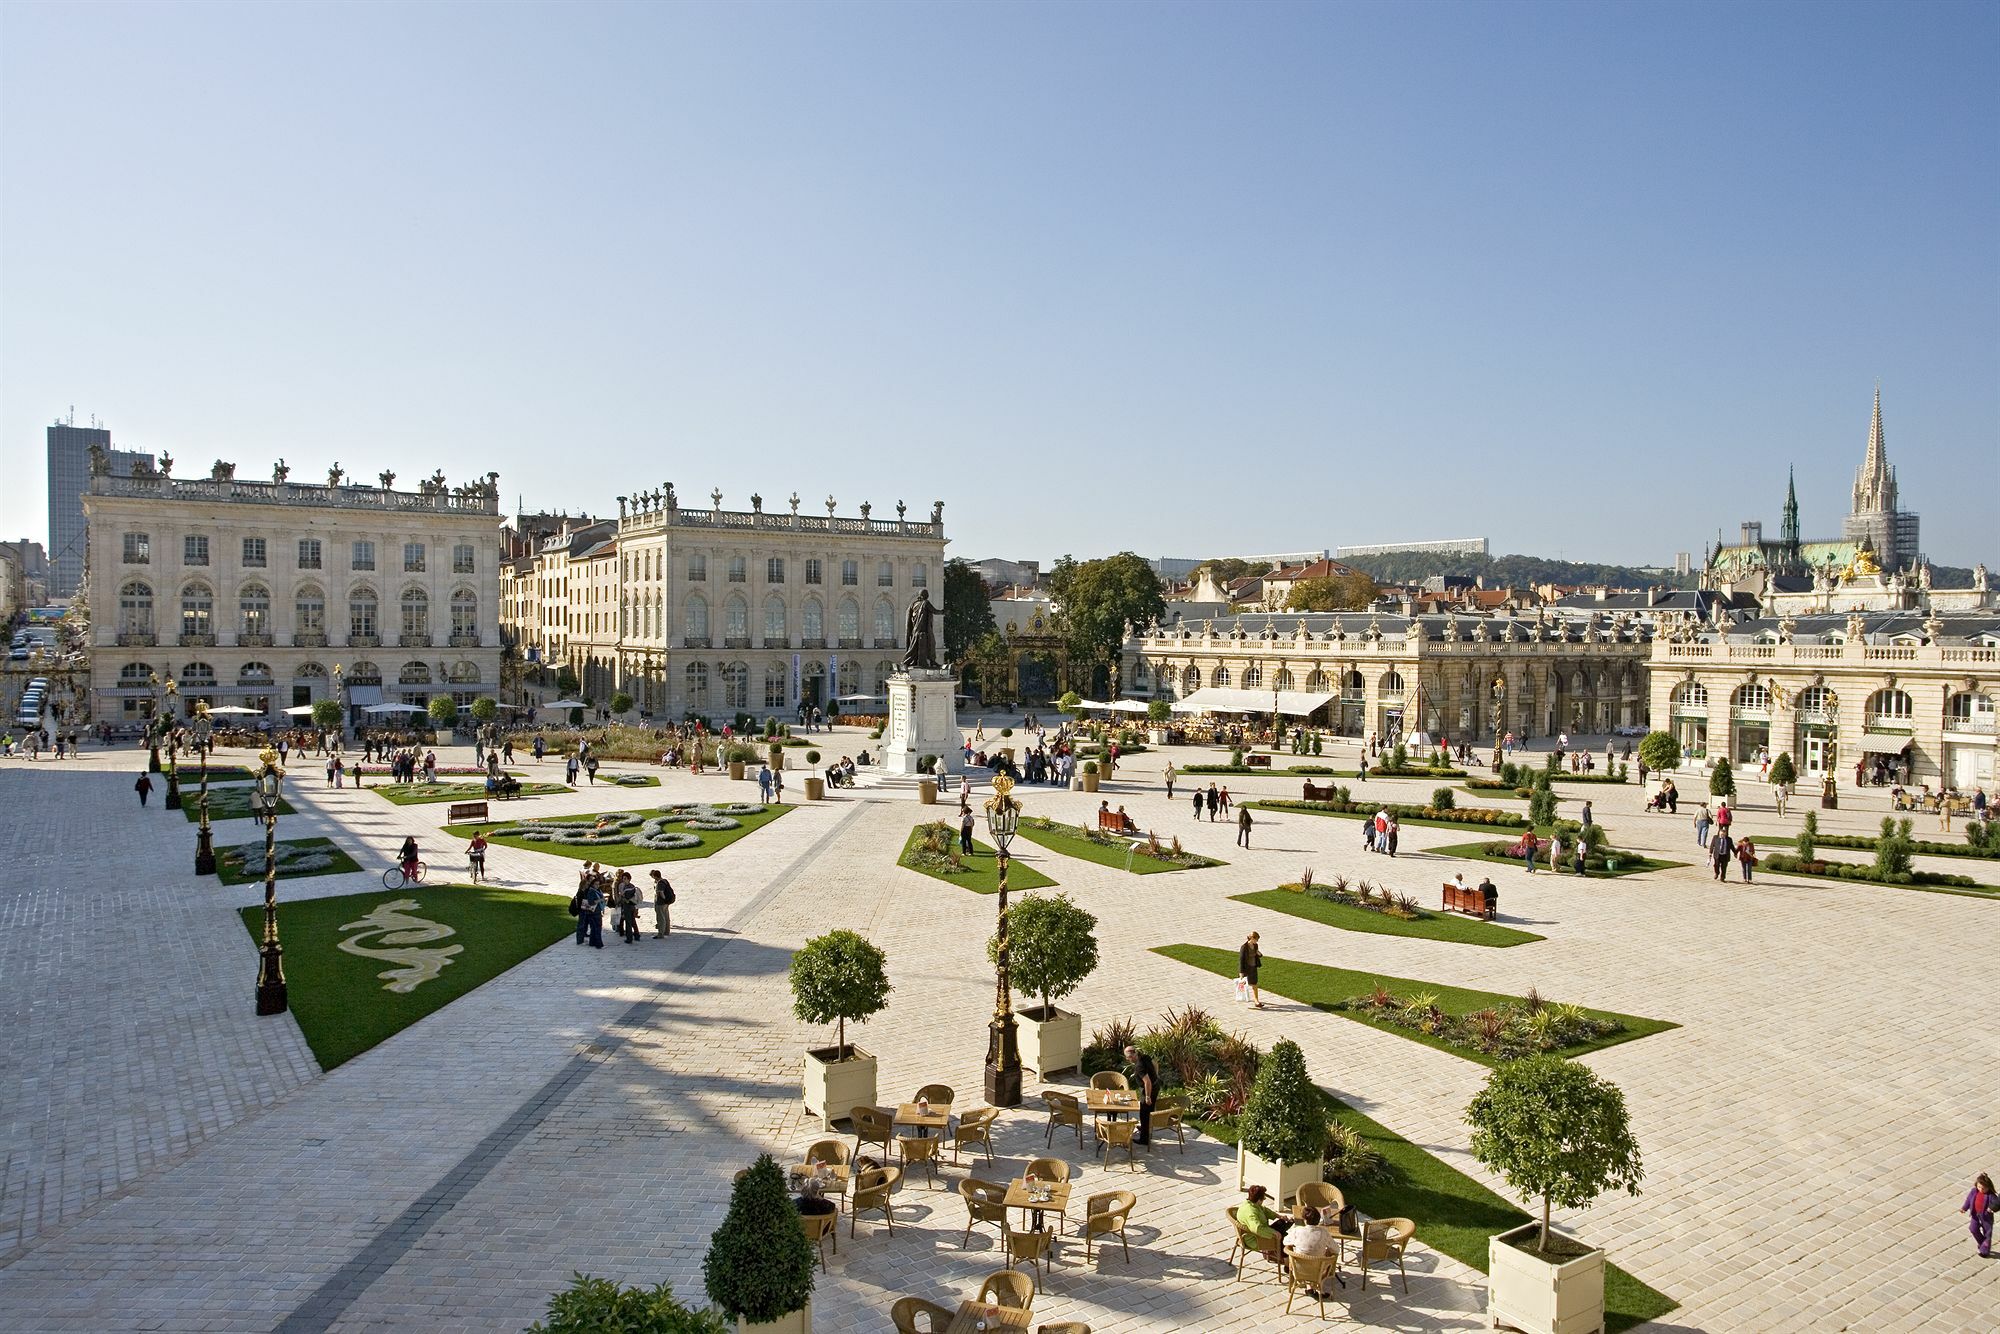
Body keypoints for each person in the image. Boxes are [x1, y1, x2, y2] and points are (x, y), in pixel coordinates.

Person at [1284, 1204, 1340, 1295]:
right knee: (1330, 1252)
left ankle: (1309, 1285)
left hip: (1298, 1269)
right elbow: (1336, 1250)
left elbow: (1285, 1242)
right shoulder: (1323, 1233)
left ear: (1305, 1220)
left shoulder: (1297, 1231)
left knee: (1291, 1248)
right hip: (1318, 1270)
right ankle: (1318, 1284)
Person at [1235, 1184, 1290, 1270]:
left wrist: (1279, 1216)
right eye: (1263, 1198)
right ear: (1259, 1200)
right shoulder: (1250, 1213)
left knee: (1282, 1224)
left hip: (1259, 1232)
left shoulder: (1251, 1204)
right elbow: (1257, 1229)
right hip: (1254, 1239)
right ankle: (1287, 1263)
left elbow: (1265, 1210)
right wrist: (1274, 1232)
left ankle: (1279, 1253)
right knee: (1281, 1237)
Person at [1123, 1042, 1160, 1146]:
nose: (1127, 1060)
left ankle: (1144, 1139)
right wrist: (1155, 1076)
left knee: (1144, 1113)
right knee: (1149, 1110)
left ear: (1131, 1057)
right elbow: (1155, 1063)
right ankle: (1145, 1128)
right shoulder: (1144, 1056)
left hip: (1149, 1089)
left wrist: (1147, 1096)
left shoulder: (1139, 1066)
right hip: (1156, 1085)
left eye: (1127, 1058)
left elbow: (1147, 1082)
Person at [1963, 1172, 1995, 1258]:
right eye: (1979, 1187)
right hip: (1975, 1215)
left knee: (1987, 1233)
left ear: (1988, 1187)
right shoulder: (1974, 1191)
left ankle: (1984, 1251)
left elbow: (1996, 1203)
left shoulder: (1991, 1195)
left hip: (1986, 1217)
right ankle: (1982, 1243)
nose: (1981, 1189)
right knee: (1973, 1228)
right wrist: (1964, 1208)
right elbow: (1969, 1200)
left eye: (1983, 1188)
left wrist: (1992, 1208)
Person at [1239, 932, 1263, 1009]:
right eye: (1256, 939)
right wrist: (1241, 972)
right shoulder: (1244, 947)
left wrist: (1259, 954)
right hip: (1246, 968)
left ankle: (1256, 1001)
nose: (1257, 941)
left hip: (1253, 967)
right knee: (1243, 984)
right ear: (1252, 938)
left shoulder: (1255, 945)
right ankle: (1243, 997)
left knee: (1254, 983)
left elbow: (1257, 953)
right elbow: (1241, 960)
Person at [615, 871, 640, 943]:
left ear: (629, 879)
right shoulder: (628, 886)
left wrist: (622, 896)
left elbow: (627, 899)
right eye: (623, 878)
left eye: (625, 878)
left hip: (628, 907)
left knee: (628, 923)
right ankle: (636, 935)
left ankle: (629, 938)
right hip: (630, 907)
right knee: (633, 922)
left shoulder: (630, 888)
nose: (623, 880)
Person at [650, 869, 675, 938]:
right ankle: (667, 931)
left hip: (661, 903)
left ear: (655, 876)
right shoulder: (665, 881)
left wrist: (664, 899)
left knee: (661, 918)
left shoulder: (659, 883)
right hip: (666, 903)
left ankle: (660, 933)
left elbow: (661, 892)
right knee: (666, 917)